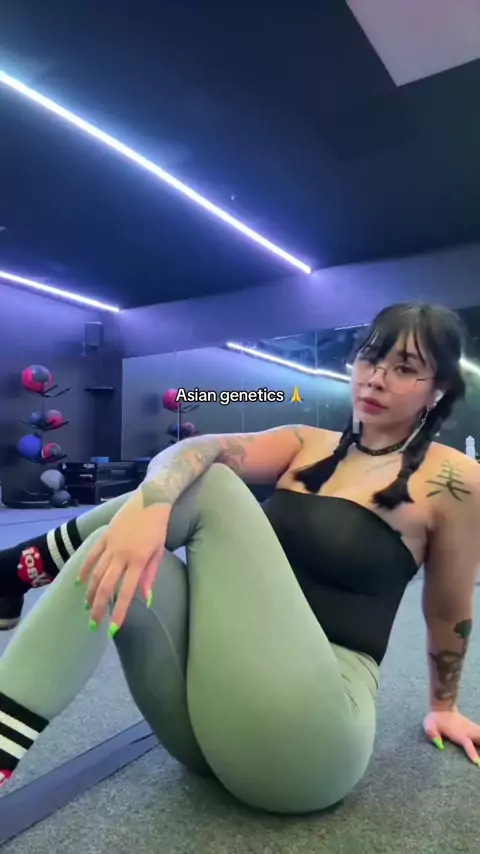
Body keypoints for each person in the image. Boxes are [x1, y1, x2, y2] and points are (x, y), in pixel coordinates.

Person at [1, 302, 480, 815]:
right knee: (117, 551)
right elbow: (191, 449)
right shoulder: (305, 443)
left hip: (311, 739)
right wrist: (149, 511)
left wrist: (444, 706)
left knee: (211, 482)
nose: (376, 378)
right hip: (214, 730)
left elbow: (447, 609)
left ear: (438, 390)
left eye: (404, 368)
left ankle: (15, 568)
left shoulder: (455, 480)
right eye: (370, 358)